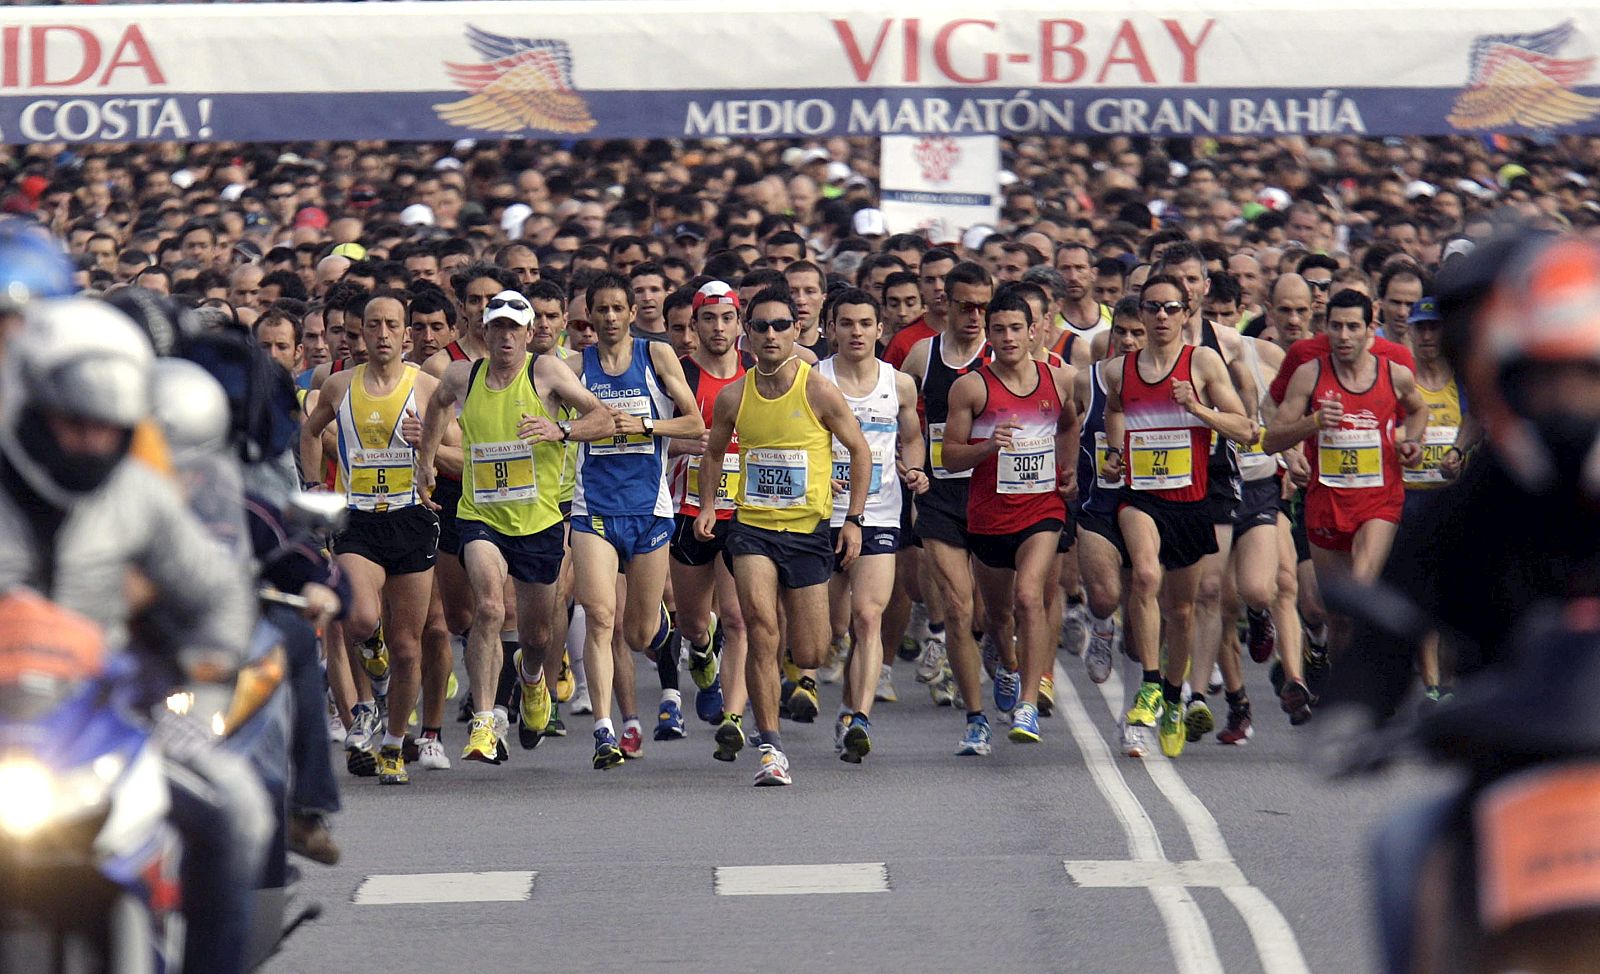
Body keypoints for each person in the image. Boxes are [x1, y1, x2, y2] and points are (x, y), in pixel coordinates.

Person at [0, 299, 266, 974]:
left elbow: (216, 592)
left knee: (240, 812)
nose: (92, 443)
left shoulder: (137, 494)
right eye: (75, 424)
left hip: (108, 716)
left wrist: (205, 689)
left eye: (108, 429)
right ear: (34, 407)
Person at [416, 290, 615, 767]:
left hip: (539, 519)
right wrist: (425, 461)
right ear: (484, 331)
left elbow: (603, 418)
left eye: (514, 328)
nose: (506, 336)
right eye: (497, 327)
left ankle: (532, 680)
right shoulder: (464, 375)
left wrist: (559, 431)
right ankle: (485, 720)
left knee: (537, 636)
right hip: (481, 513)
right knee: (487, 606)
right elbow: (437, 406)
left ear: (530, 333)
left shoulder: (545, 372)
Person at [694, 284, 873, 786]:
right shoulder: (735, 394)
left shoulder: (816, 389)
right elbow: (712, 452)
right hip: (752, 529)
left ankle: (801, 678)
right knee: (758, 625)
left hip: (809, 531)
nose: (771, 335)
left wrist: (853, 519)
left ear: (797, 331)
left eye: (781, 326)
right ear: (746, 335)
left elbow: (859, 451)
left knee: (812, 649)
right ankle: (770, 745)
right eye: (761, 327)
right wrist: (710, 504)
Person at [1100, 275, 1256, 759]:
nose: (1161, 317)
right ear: (1140, 314)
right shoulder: (1117, 370)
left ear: (1187, 313)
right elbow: (1114, 409)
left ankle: (1172, 697)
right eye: (1152, 308)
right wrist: (1114, 450)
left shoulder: (1203, 362)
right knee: (1145, 576)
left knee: (1183, 611)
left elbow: (1247, 429)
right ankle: (1149, 683)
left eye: (1171, 308)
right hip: (1139, 496)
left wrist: (1198, 408)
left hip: (1191, 499)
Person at [298, 291, 441, 785]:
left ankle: (395, 743)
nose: (382, 335)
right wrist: (316, 488)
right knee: (358, 618)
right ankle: (371, 667)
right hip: (358, 518)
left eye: (391, 325)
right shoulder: (339, 386)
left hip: (411, 518)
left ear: (407, 335)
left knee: (407, 648)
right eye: (373, 325)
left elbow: (463, 452)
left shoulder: (426, 387)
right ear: (362, 333)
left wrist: (432, 444)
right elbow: (310, 433)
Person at [566, 272, 704, 768]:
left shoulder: (657, 356)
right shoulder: (572, 365)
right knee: (600, 617)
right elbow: (553, 419)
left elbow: (695, 424)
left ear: (630, 313)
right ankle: (604, 729)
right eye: (598, 311)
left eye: (616, 309)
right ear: (587, 317)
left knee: (637, 635)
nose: (607, 319)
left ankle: (662, 626)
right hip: (594, 509)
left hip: (648, 508)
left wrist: (644, 424)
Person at [941, 288, 1076, 744]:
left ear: (1034, 330)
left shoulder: (1059, 380)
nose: (1008, 337)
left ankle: (1028, 704)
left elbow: (1070, 423)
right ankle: (1010, 666)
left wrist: (1068, 467)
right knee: (998, 617)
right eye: (998, 329)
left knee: (1029, 597)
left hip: (1042, 508)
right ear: (988, 334)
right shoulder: (971, 386)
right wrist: (986, 446)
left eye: (1016, 328)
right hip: (989, 515)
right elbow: (950, 458)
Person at [1264, 290, 1428, 647]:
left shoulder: (1394, 374)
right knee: (1337, 615)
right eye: (1335, 326)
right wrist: (1313, 423)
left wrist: (1412, 442)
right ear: (1325, 328)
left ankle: (1374, 689)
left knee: (1360, 589)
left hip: (1379, 501)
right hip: (1326, 502)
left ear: (1370, 328)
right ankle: (1340, 693)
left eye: (1353, 326)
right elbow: (1271, 440)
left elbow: (1419, 409)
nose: (1343, 336)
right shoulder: (1310, 375)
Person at [816, 287, 926, 762]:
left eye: (865, 324)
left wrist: (916, 469)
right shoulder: (813, 380)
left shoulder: (899, 383)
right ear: (830, 329)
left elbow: (913, 438)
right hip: (821, 516)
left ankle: (859, 717)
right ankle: (844, 703)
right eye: (846, 323)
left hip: (880, 512)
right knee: (832, 631)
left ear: (880, 330)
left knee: (868, 617)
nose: (856, 332)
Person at [900, 260, 997, 755]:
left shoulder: (1007, 353)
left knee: (992, 611)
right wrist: (911, 464)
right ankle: (976, 718)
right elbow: (903, 420)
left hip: (997, 497)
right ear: (946, 303)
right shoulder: (922, 355)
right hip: (939, 494)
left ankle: (1001, 652)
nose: (975, 316)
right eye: (966, 306)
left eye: (984, 306)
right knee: (958, 607)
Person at [669, 282, 751, 756]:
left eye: (727, 319)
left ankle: (734, 717)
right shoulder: (678, 376)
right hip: (686, 510)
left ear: (739, 324)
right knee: (695, 621)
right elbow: (653, 438)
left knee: (738, 617)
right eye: (708, 319)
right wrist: (686, 445)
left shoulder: (759, 376)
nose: (718, 329)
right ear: (694, 327)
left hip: (742, 512)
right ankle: (701, 650)